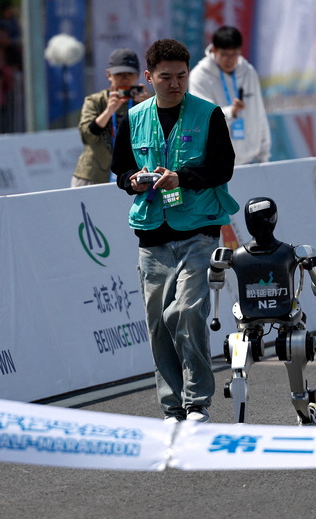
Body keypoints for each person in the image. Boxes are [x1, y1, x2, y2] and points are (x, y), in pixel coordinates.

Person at [111, 39, 239, 423]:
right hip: (152, 235)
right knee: (159, 325)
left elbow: (223, 169)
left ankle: (197, 401)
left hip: (199, 229)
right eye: (165, 77)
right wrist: (132, 181)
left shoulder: (209, 114)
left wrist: (180, 177)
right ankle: (172, 408)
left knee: (187, 312)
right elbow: (120, 170)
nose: (175, 84)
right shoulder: (133, 118)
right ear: (149, 77)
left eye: (181, 76)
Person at [189, 26, 270, 165]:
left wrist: (265, 157)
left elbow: (259, 114)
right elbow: (203, 118)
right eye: (225, 54)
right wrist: (230, 112)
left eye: (234, 54)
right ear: (214, 50)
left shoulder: (248, 72)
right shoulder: (199, 76)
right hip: (218, 165)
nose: (230, 60)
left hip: (251, 161)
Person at [72, 48, 150, 187]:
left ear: (138, 75)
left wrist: (151, 107)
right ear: (109, 74)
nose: (125, 78)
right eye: (119, 74)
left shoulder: (147, 104)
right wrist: (108, 111)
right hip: (94, 176)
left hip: (133, 178)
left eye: (130, 74)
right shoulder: (95, 101)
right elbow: (87, 137)